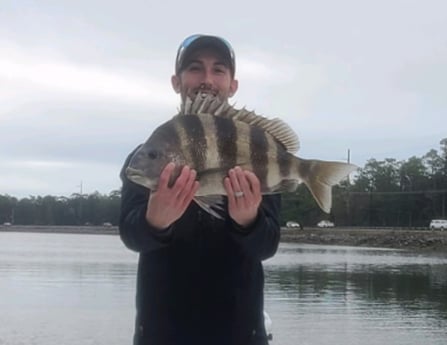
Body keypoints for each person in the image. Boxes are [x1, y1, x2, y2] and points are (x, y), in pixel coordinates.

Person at [119, 34, 281, 345]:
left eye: (219, 70)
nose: (207, 79)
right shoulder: (149, 156)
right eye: (195, 68)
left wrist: (249, 222)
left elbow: (267, 246)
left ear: (233, 84)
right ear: (176, 81)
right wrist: (155, 222)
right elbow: (131, 235)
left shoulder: (257, 151)